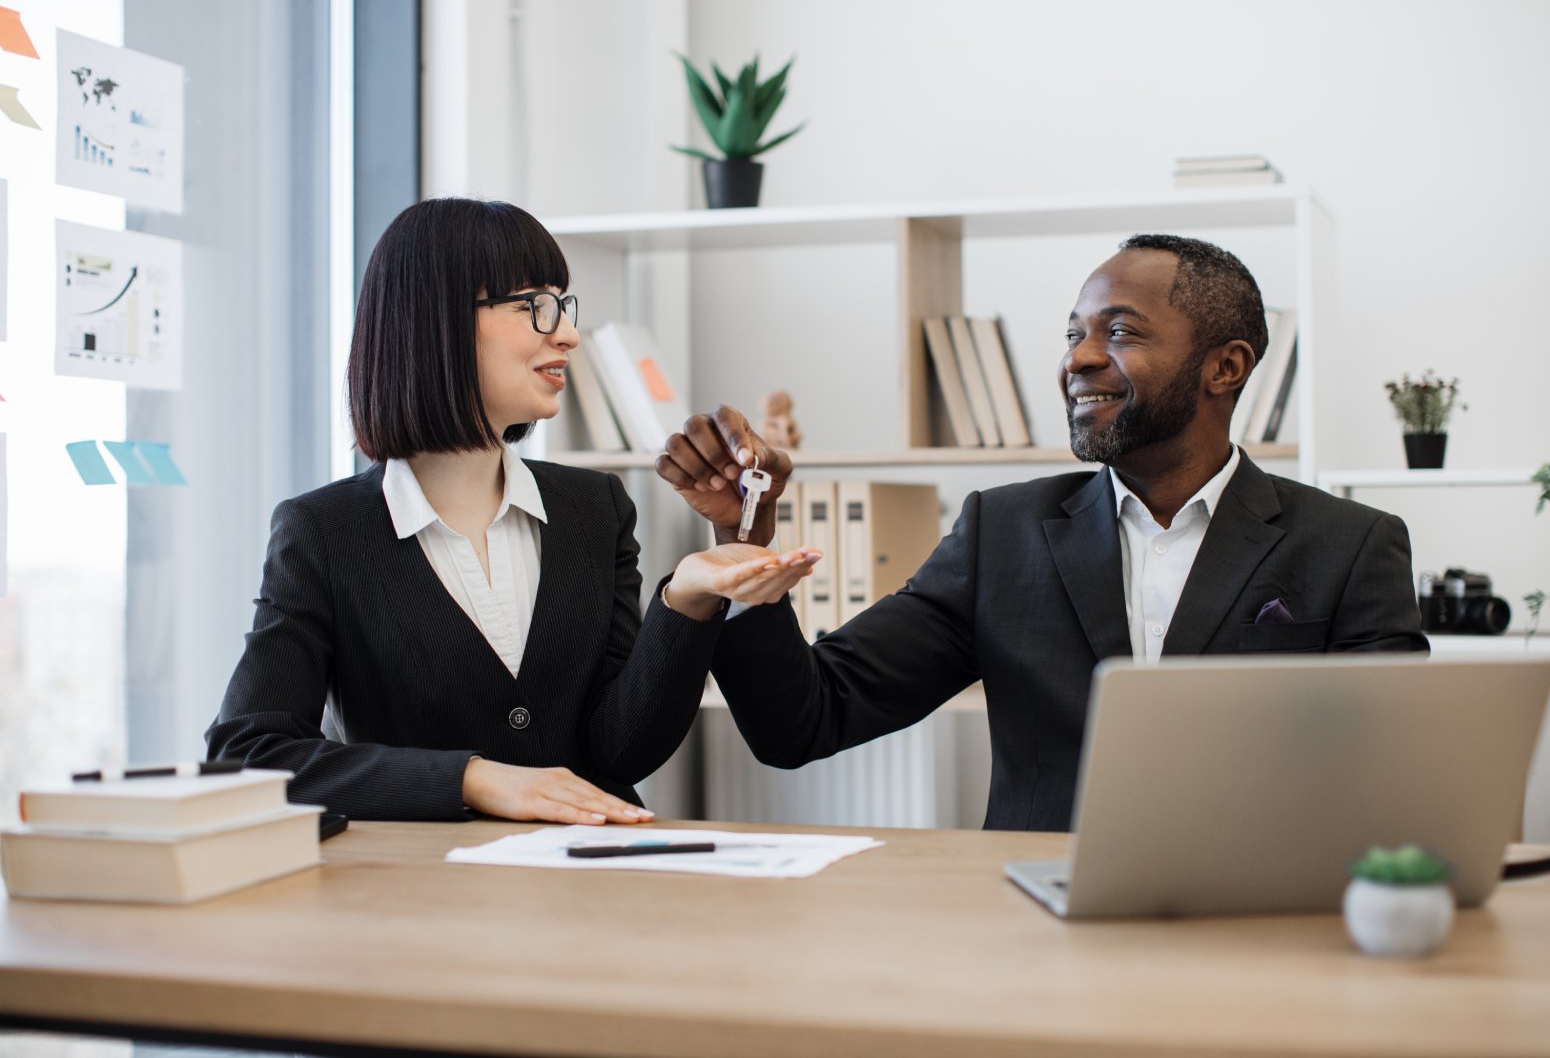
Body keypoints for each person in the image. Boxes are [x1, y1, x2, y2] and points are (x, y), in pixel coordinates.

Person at [656, 234, 1429, 832]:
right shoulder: (1004, 533)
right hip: (1040, 935)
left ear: (1224, 367)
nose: (1078, 360)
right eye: (1072, 335)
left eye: (1119, 333)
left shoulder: (1351, 546)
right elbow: (806, 719)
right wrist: (745, 540)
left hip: (1263, 933)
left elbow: (1402, 778)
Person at [208, 198, 817, 823]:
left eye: (563, 303)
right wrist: (469, 779)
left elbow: (619, 750)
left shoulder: (594, 508)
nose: (568, 333)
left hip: (586, 880)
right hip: (418, 892)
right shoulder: (324, 533)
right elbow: (250, 755)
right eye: (535, 305)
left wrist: (685, 604)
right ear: (434, 318)